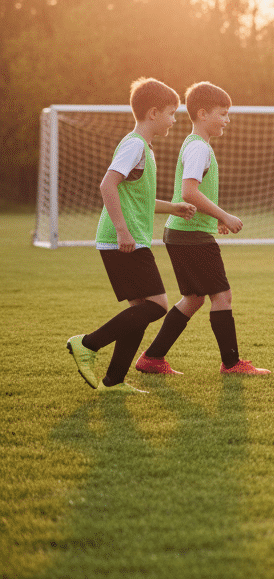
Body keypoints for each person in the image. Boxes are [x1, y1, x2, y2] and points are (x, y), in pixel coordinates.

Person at [67, 78, 197, 394]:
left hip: (130, 238)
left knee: (140, 310)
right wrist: (123, 230)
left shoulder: (143, 147)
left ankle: (113, 381)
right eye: (171, 113)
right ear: (153, 113)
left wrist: (174, 207)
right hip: (123, 240)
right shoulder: (135, 144)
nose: (174, 119)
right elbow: (107, 184)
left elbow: (138, 197)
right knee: (156, 305)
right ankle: (87, 343)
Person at [133, 82, 269, 377]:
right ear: (203, 113)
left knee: (194, 298)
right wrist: (225, 215)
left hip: (182, 233)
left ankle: (152, 358)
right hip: (190, 236)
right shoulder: (197, 148)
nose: (227, 120)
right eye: (223, 113)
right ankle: (232, 364)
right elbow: (189, 192)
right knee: (223, 296)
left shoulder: (196, 145)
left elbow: (194, 193)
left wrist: (214, 218)